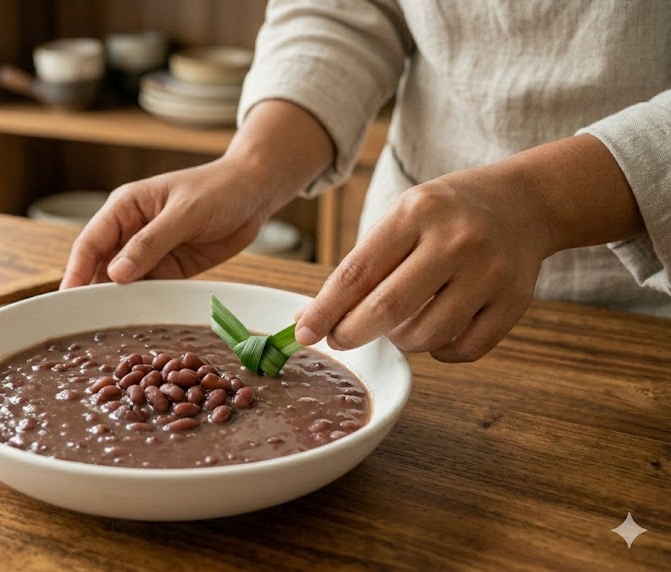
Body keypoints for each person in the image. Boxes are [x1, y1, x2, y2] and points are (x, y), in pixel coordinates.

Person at [61, 1, 671, 362]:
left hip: (648, 311)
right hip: (409, 290)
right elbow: (347, 9)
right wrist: (250, 168)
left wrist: (537, 202)